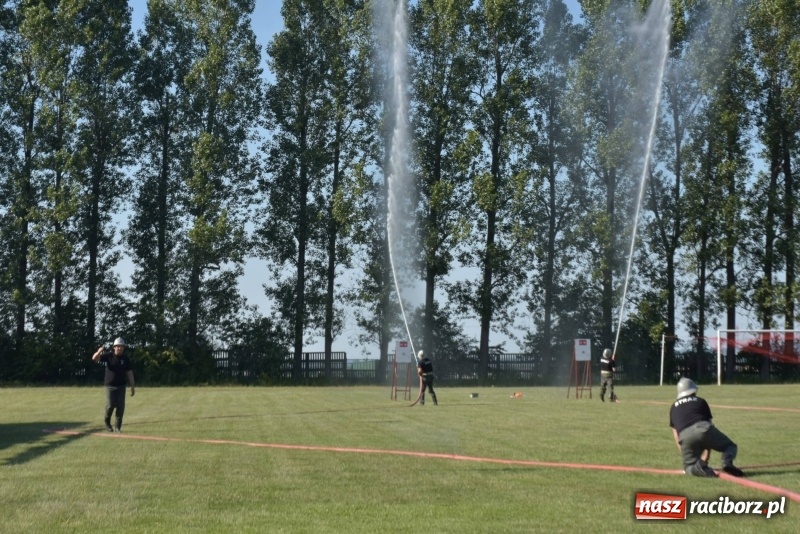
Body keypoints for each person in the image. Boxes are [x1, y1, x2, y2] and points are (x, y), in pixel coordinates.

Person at [669, 377, 744, 478]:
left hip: (685, 436)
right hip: (703, 428)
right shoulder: (701, 401)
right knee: (730, 447)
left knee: (688, 468)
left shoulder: (673, 407)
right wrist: (707, 455)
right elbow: (708, 425)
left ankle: (698, 468)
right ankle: (727, 463)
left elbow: (676, 434)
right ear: (693, 390)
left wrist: (685, 452)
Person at [92, 337, 135, 432]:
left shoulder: (125, 359)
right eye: (117, 346)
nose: (119, 348)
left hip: (121, 386)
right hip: (110, 386)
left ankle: (118, 427)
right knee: (110, 405)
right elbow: (94, 358)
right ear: (114, 347)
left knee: (120, 407)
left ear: (123, 348)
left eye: (121, 347)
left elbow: (129, 372)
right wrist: (99, 351)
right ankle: (107, 422)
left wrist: (132, 386)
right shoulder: (108, 356)